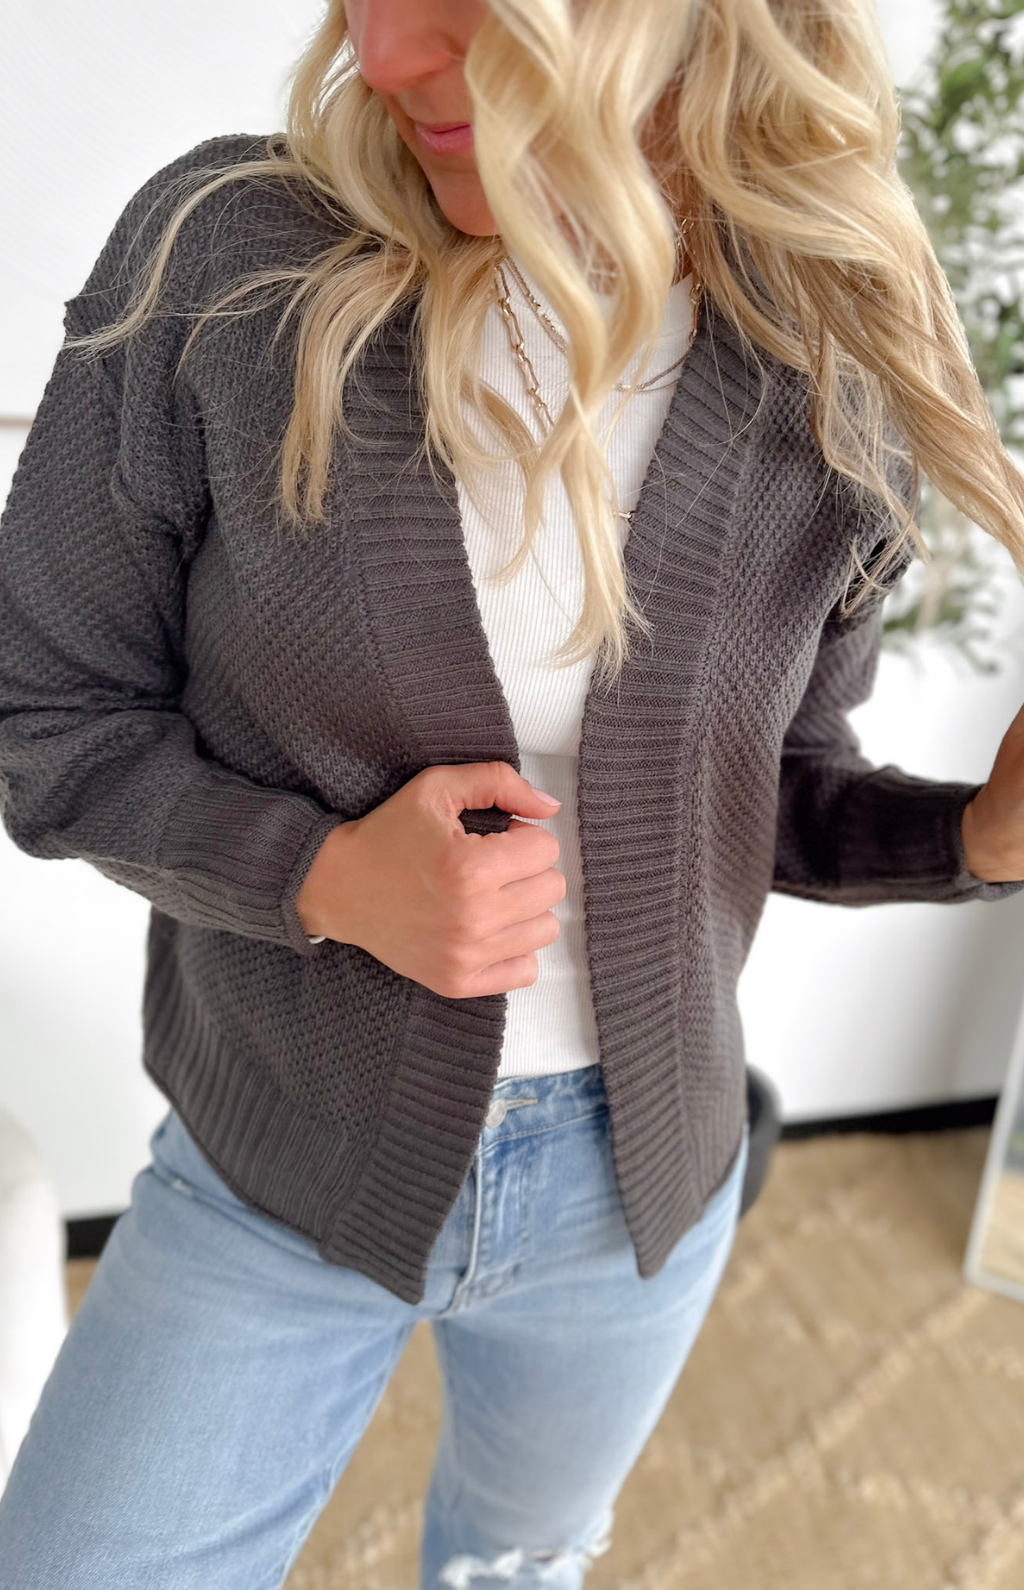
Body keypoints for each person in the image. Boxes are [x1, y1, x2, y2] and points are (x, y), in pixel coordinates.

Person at [1, 0, 1024, 1585]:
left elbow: (774, 787)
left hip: (640, 1193)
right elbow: (46, 714)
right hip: (280, 1160)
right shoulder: (228, 268)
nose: (386, 51)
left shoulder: (823, 352)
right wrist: (324, 873)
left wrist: (974, 836)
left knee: (518, 1566)